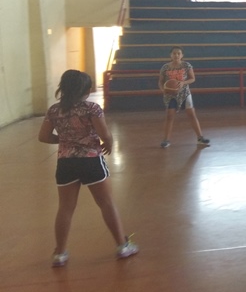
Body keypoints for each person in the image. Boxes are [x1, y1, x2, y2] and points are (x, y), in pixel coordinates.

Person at [38, 70, 139, 267]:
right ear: (85, 90)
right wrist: (108, 144)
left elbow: (43, 136)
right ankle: (122, 245)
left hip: (66, 162)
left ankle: (60, 253)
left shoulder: (54, 110)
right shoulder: (92, 108)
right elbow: (105, 134)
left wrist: (65, 140)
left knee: (65, 208)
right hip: (91, 160)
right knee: (106, 203)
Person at [158, 46, 210, 148]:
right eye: (174, 53)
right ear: (170, 55)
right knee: (169, 116)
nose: (176, 55)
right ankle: (166, 140)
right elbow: (160, 81)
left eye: (178, 53)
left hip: (185, 93)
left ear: (182, 55)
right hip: (170, 95)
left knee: (192, 115)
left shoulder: (186, 65)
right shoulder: (165, 67)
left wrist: (183, 83)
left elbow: (192, 78)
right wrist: (163, 90)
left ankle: (200, 138)